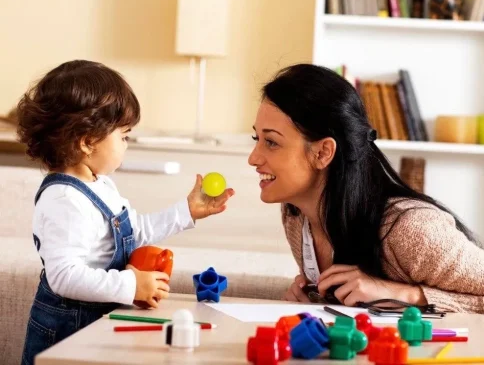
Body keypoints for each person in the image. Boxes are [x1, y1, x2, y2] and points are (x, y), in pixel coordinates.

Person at [17, 60, 235, 365]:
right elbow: (64, 277)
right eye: (124, 136)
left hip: (97, 322)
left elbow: (135, 231)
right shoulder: (64, 199)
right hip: (67, 332)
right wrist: (130, 284)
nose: (127, 144)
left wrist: (187, 212)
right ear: (88, 142)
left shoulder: (100, 184)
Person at [248, 63, 484, 314]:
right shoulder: (296, 215)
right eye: (257, 139)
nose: (253, 158)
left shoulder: (411, 229)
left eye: (271, 142)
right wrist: (317, 303)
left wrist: (407, 296)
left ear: (323, 152)